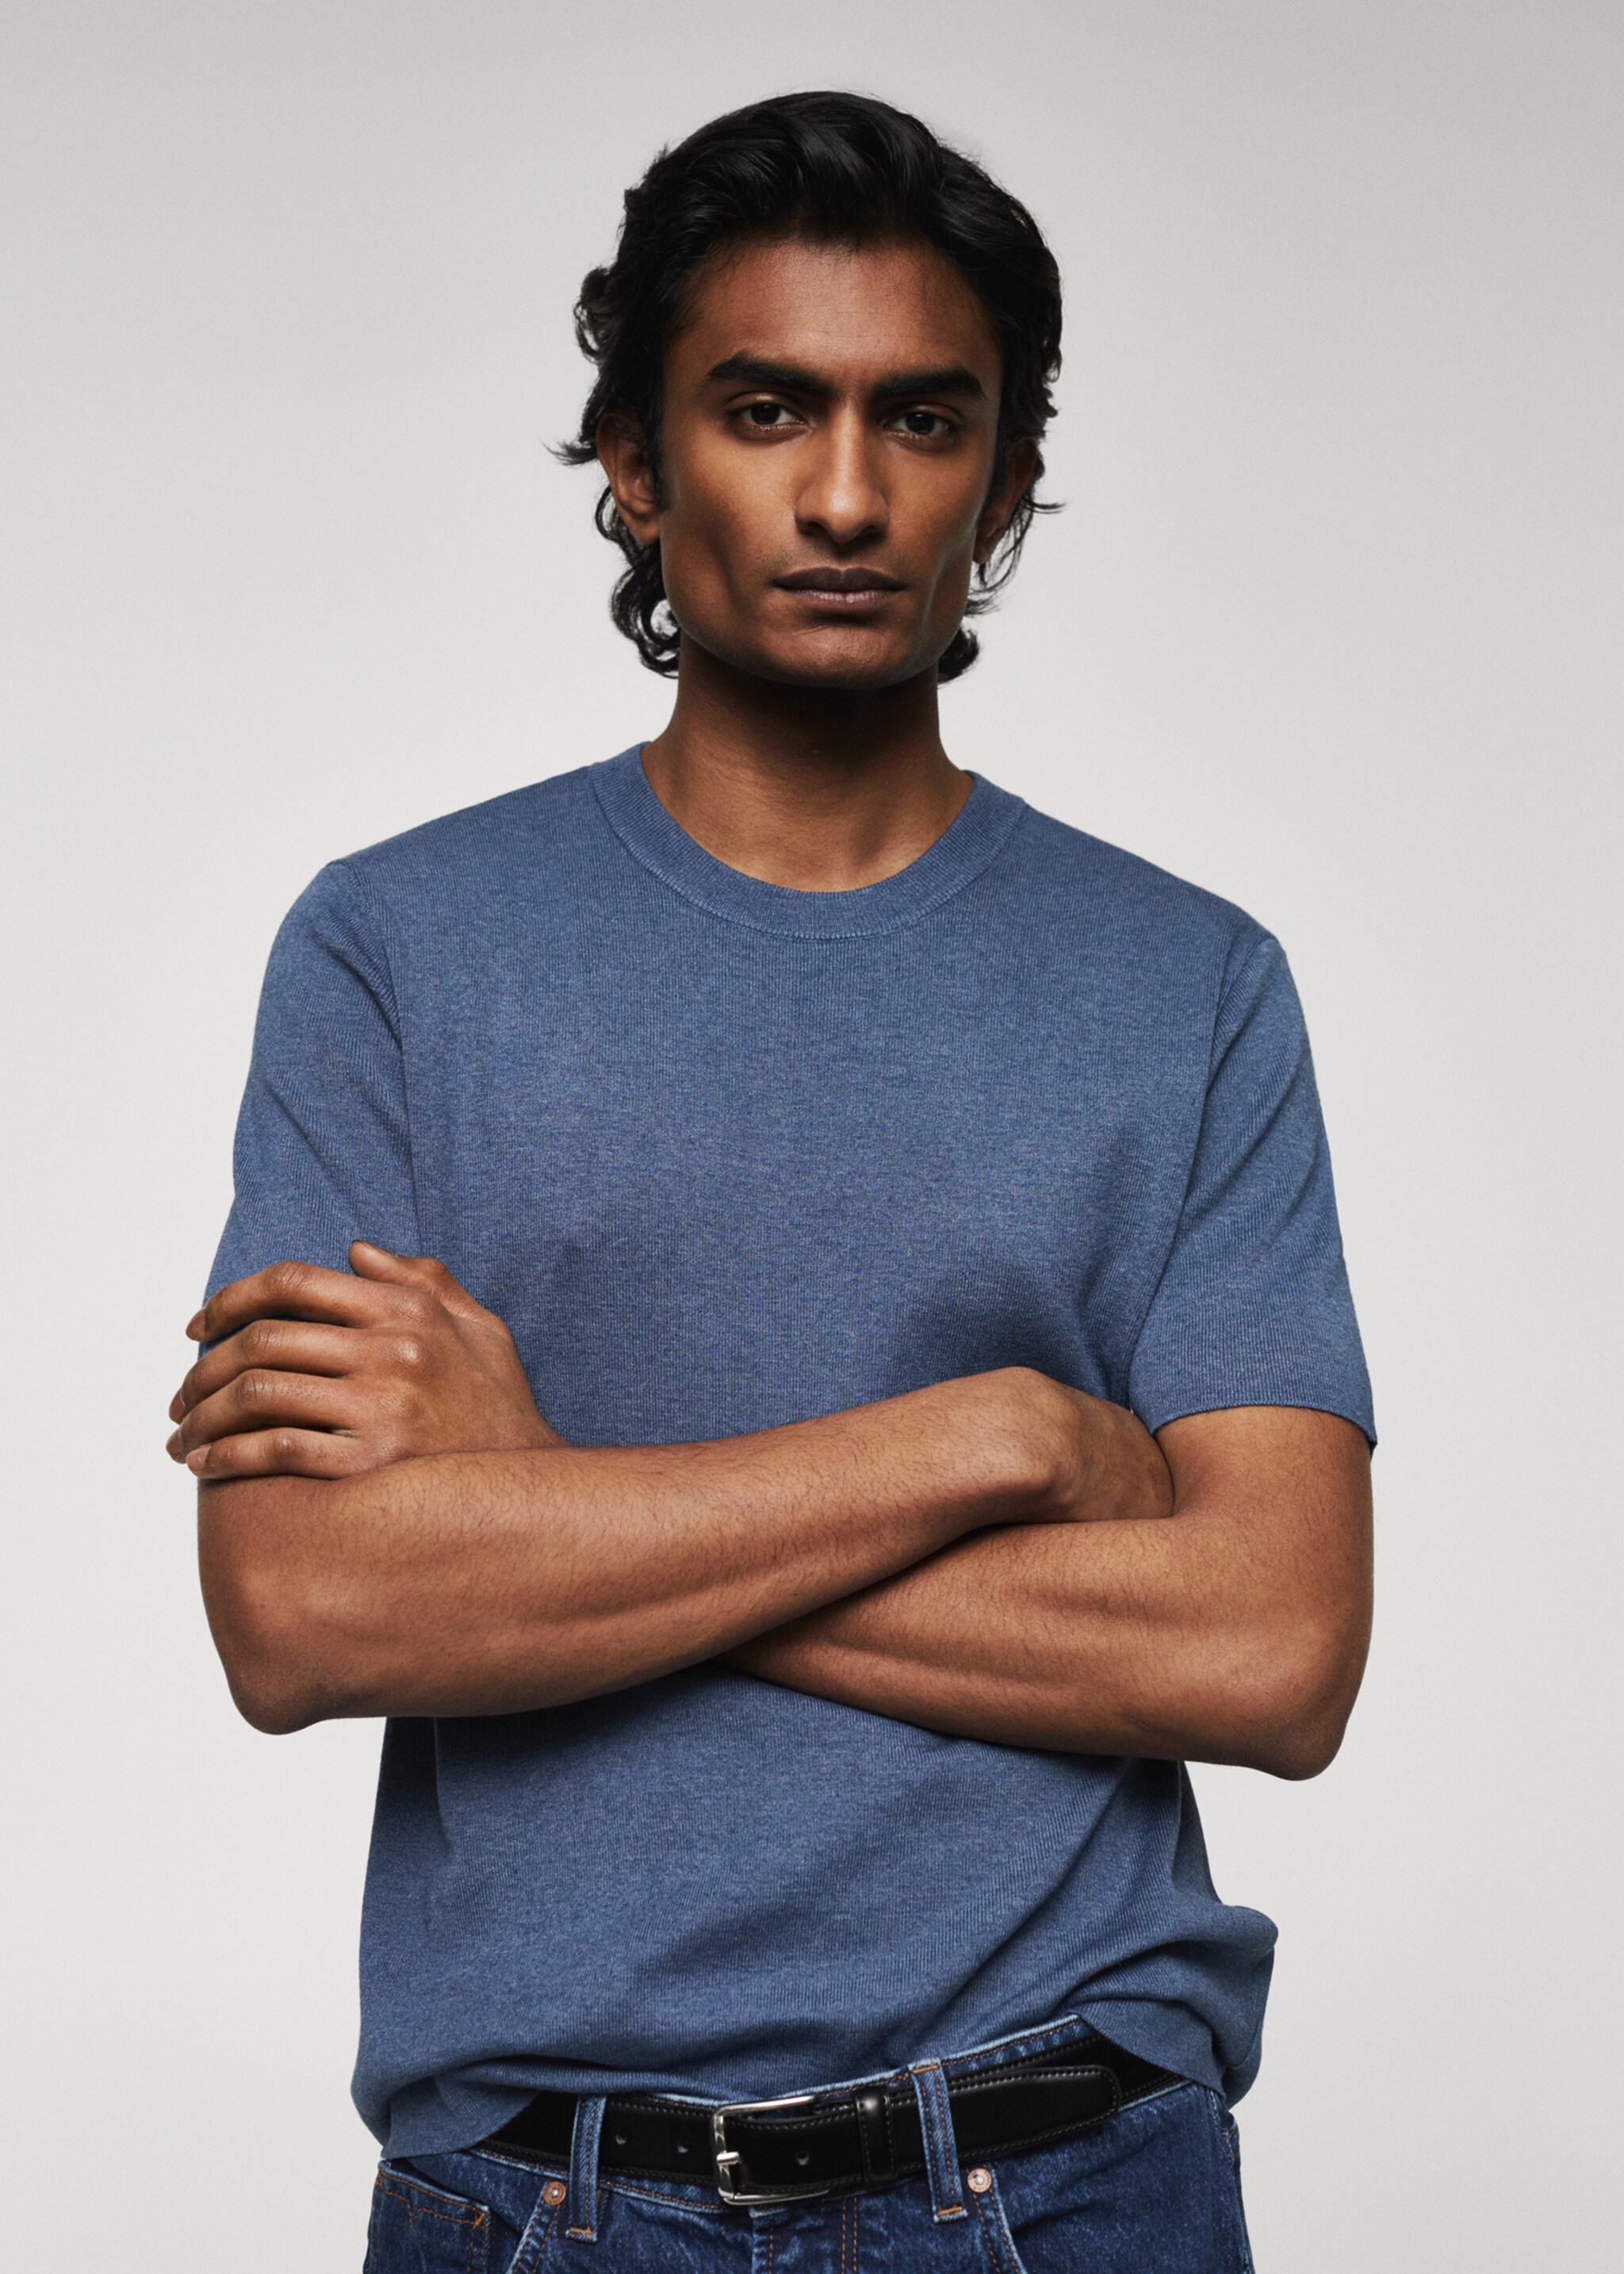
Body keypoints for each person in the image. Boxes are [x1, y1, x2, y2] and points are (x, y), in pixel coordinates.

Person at [171, 91, 1373, 2272]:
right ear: (635, 461)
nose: (843, 494)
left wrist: (543, 1502)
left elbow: (1273, 1645)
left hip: (1071, 2177)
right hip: (546, 2200)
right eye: (763, 409)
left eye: (923, 418)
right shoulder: (397, 951)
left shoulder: (1189, 985)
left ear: (1007, 476)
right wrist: (994, 1440)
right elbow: (306, 1609)